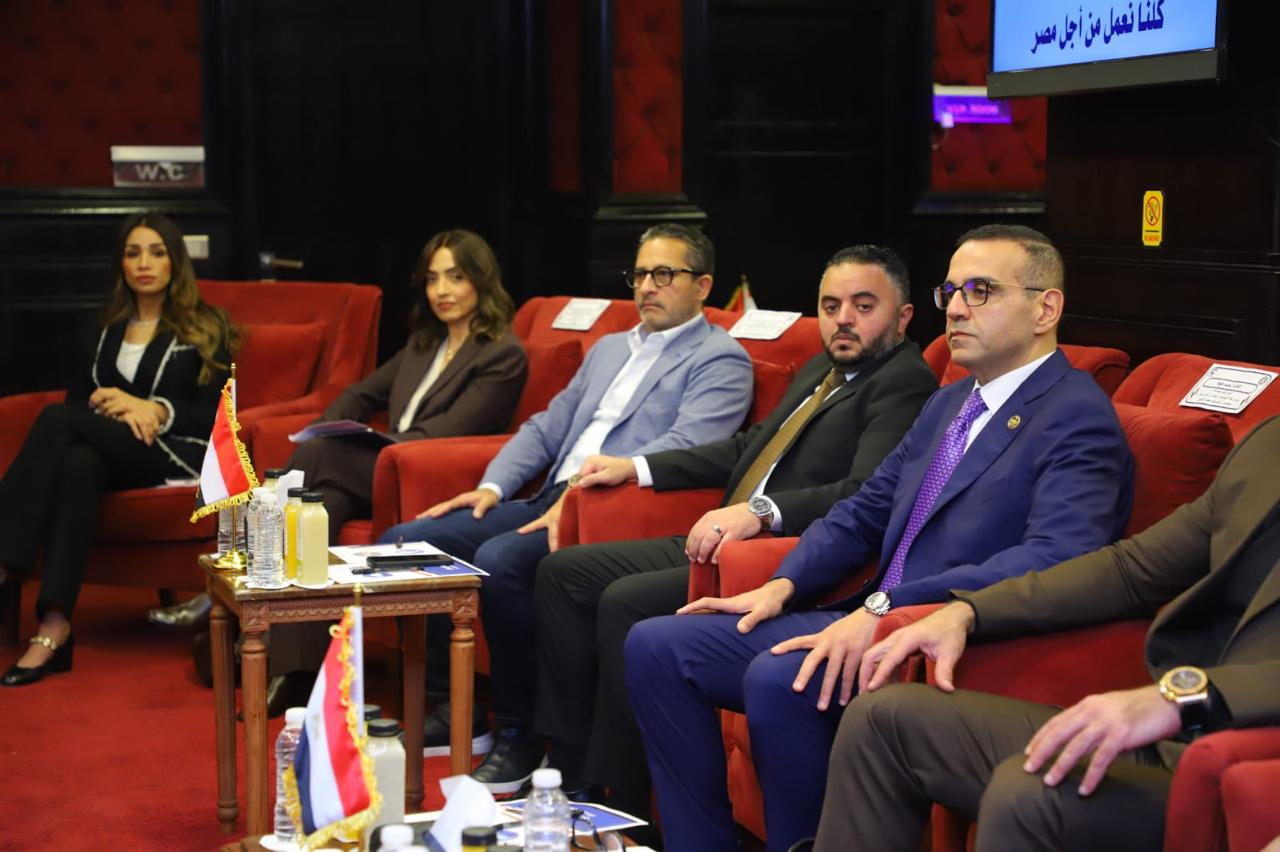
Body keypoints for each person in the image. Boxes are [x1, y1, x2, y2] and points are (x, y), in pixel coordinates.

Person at [624, 224, 1136, 851]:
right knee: (656, 646)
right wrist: (782, 585)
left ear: (1045, 308)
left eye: (980, 291)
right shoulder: (950, 402)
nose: (956, 309)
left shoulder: (1075, 414)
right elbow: (867, 509)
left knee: (782, 678)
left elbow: (1058, 560)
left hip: (939, 636)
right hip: (866, 614)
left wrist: (889, 610)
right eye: (951, 291)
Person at [530, 244, 939, 819]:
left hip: (771, 554)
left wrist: (762, 511)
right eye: (830, 306)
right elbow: (749, 446)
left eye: (863, 306)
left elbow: (863, 492)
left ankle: (619, 798)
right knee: (563, 574)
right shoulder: (825, 368)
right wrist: (638, 467)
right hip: (717, 537)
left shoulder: (902, 383)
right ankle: (568, 764)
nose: (843, 319)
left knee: (624, 602)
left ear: (903, 317)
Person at [378, 222, 754, 793]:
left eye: (663, 274)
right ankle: (451, 709)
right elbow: (547, 426)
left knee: (502, 561)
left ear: (703, 286)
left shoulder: (720, 358)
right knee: (408, 543)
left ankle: (522, 733)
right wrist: (493, 486)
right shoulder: (609, 349)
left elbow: (686, 448)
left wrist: (579, 495)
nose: (646, 287)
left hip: (612, 508)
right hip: (550, 496)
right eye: (639, 275)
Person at [818, 415, 1280, 852]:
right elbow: (1131, 571)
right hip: (1177, 737)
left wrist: (1184, 697)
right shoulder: (1268, 446)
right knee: (883, 720)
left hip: (1251, 763)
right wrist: (970, 611)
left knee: (1030, 792)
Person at [221, 229, 528, 712]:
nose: (442, 291)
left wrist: (350, 444)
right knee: (321, 507)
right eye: (432, 279)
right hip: (378, 470)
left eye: (456, 277)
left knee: (319, 458)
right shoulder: (423, 346)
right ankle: (296, 670)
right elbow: (360, 394)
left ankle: (244, 557)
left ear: (482, 281)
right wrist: (330, 426)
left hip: (430, 473)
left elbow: (448, 433)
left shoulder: (501, 353)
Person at [0, 212, 237, 686]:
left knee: (55, 420)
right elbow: (78, 402)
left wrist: (156, 409)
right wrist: (114, 405)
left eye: (156, 252)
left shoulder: (205, 325)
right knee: (79, 462)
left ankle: (4, 564)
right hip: (108, 450)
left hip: (171, 452)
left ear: (174, 262)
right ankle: (54, 626)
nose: (144, 263)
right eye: (133, 253)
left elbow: (217, 412)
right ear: (121, 264)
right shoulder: (102, 328)